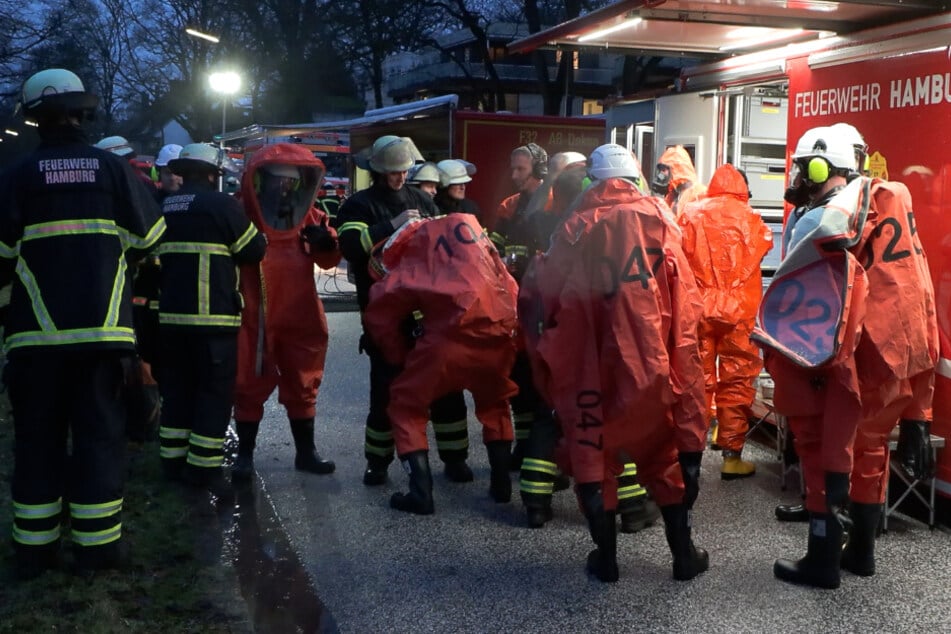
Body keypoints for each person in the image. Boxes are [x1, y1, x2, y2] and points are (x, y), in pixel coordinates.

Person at [0, 68, 165, 578]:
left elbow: (2, 254)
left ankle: (34, 550)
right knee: (99, 439)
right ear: (84, 113)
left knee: (36, 440)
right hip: (103, 338)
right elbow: (149, 240)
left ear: (33, 119)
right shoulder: (114, 172)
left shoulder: (16, 177)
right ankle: (97, 550)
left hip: (33, 341)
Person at [755, 125, 936, 589]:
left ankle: (822, 560)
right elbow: (921, 296)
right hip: (895, 362)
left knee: (820, 452)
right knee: (871, 450)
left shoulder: (829, 221)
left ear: (820, 166)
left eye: (802, 167)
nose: (797, 176)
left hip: (846, 363)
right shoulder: (889, 205)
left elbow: (812, 309)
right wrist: (921, 406)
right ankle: (861, 553)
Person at [520, 142, 708, 583]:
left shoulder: (572, 229)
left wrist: (546, 364)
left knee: (591, 457)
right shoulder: (661, 222)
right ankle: (683, 556)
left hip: (589, 369)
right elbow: (685, 302)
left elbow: (543, 297)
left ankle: (605, 560)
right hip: (654, 364)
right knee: (662, 458)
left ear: (592, 181)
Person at [517, 146, 657, 534]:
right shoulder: (625, 222)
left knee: (553, 413)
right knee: (610, 416)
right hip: (604, 339)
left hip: (561, 335)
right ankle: (629, 507)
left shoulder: (560, 223)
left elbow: (545, 283)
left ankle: (536, 502)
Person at [363, 213, 519, 514]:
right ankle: (502, 486)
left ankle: (421, 494)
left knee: (405, 406)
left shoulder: (419, 246)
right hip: (498, 336)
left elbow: (382, 308)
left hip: (449, 341)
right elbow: (510, 286)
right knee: (496, 405)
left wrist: (397, 354)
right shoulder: (474, 237)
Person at [155, 143, 267, 498]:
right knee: (213, 394)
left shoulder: (163, 205)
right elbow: (252, 251)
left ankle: (172, 463)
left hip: (169, 320)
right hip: (213, 320)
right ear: (211, 173)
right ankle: (203, 471)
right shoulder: (222, 205)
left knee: (176, 392)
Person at [231, 143, 341, 481]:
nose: (283, 187)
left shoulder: (311, 215)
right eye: (275, 179)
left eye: (289, 182)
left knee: (304, 377)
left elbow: (329, 259)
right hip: (254, 311)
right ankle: (245, 456)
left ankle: (306, 453)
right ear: (259, 181)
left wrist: (326, 242)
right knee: (248, 379)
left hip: (299, 308)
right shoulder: (239, 212)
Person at [334, 135, 440, 486]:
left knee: (436, 388)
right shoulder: (358, 205)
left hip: (423, 310)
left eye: (404, 170)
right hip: (382, 311)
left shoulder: (423, 199)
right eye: (393, 171)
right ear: (379, 171)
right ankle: (377, 463)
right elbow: (351, 248)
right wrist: (390, 226)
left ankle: (453, 459)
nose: (399, 176)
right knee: (384, 391)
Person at [678, 163, 773, 480]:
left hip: (698, 309)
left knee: (696, 380)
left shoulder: (690, 214)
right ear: (743, 189)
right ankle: (732, 457)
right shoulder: (752, 219)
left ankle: (690, 456)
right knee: (738, 379)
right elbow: (762, 249)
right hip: (740, 311)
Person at [488, 143, 551, 469]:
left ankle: (543, 448)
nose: (514, 176)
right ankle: (525, 444)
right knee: (519, 375)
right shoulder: (509, 207)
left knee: (543, 377)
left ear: (540, 170)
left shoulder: (554, 203)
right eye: (512, 169)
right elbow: (492, 250)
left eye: (521, 170)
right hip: (515, 301)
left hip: (545, 302)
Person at [650, 145, 706, 217]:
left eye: (664, 170)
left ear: (677, 168)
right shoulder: (672, 196)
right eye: (661, 170)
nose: (661, 174)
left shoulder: (699, 194)